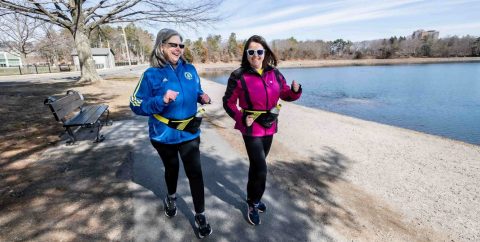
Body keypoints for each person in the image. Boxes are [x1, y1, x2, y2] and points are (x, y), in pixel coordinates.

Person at [130, 28, 212, 238]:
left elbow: (196, 90)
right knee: (172, 168)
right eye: (173, 44)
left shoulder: (190, 69)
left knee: (196, 172)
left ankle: (200, 214)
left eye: (181, 45)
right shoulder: (151, 74)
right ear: (161, 46)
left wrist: (201, 96)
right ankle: (172, 197)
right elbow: (135, 104)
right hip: (163, 134)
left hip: (190, 132)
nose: (178, 49)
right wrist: (161, 100)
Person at [222, 35, 302, 225]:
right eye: (251, 52)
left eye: (259, 51)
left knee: (257, 165)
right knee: (261, 168)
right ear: (246, 54)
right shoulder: (239, 75)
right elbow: (228, 102)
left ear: (265, 53)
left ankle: (251, 197)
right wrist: (241, 117)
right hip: (251, 127)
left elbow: (285, 94)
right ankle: (254, 203)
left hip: (270, 125)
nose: (256, 55)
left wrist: (295, 91)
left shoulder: (274, 73)